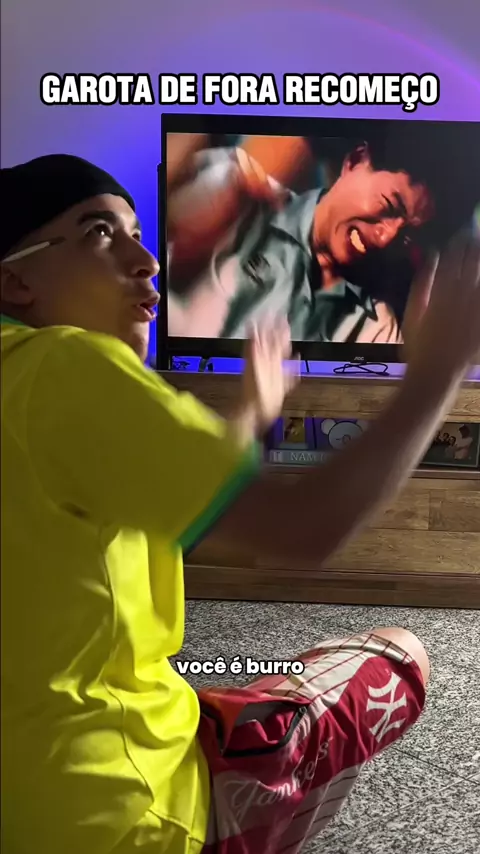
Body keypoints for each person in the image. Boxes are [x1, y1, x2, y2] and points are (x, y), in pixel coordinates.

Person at [1, 153, 479, 854]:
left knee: (221, 697)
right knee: (399, 654)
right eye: (99, 233)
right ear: (14, 277)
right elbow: (305, 528)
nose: (146, 261)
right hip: (117, 815)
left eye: (138, 233)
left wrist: (251, 414)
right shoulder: (66, 366)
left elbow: (170, 499)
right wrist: (436, 374)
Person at [165, 133, 469, 345]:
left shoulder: (373, 327)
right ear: (355, 161)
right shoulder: (236, 197)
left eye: (406, 235)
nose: (386, 236)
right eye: (389, 205)